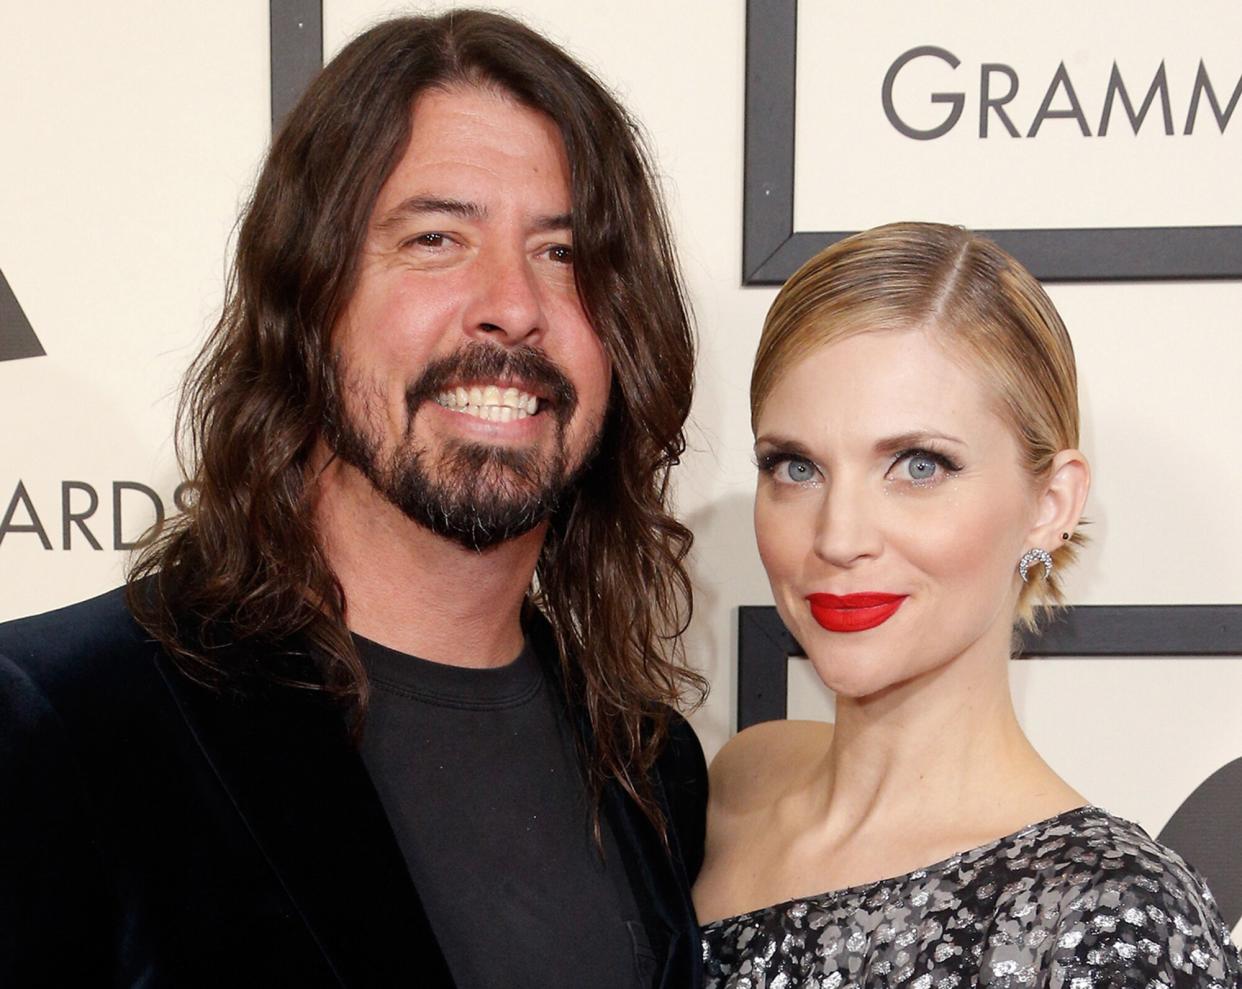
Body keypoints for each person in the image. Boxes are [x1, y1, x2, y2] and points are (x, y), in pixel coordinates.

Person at [0, 11, 709, 988]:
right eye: (435, 237)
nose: (511, 301)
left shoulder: (653, 767)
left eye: (565, 252)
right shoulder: (62, 722)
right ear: (308, 301)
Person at [694, 222, 1240, 987]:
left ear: (1051, 501)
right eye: (796, 465)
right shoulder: (737, 780)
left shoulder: (1114, 922)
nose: (839, 536)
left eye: (919, 465)